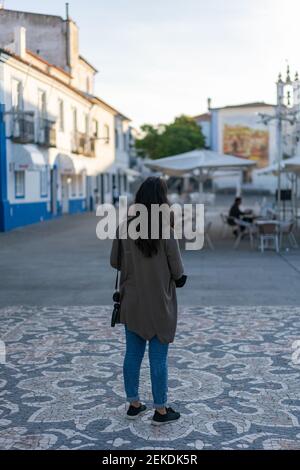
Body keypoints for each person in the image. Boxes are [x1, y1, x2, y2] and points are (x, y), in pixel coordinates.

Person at [110, 177, 187, 425]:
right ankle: (161, 411)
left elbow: (115, 263)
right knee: (158, 357)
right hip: (159, 305)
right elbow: (178, 271)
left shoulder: (124, 228)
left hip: (132, 302)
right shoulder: (166, 231)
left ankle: (134, 404)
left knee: (132, 354)